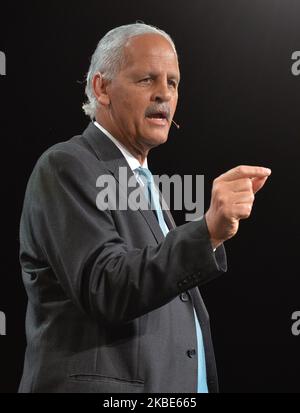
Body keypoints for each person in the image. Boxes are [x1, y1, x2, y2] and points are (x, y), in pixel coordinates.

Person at [18, 23, 271, 393]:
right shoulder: (67, 165)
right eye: (146, 80)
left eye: (172, 82)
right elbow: (106, 286)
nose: (163, 95)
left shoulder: (143, 182)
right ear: (102, 88)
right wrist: (207, 230)